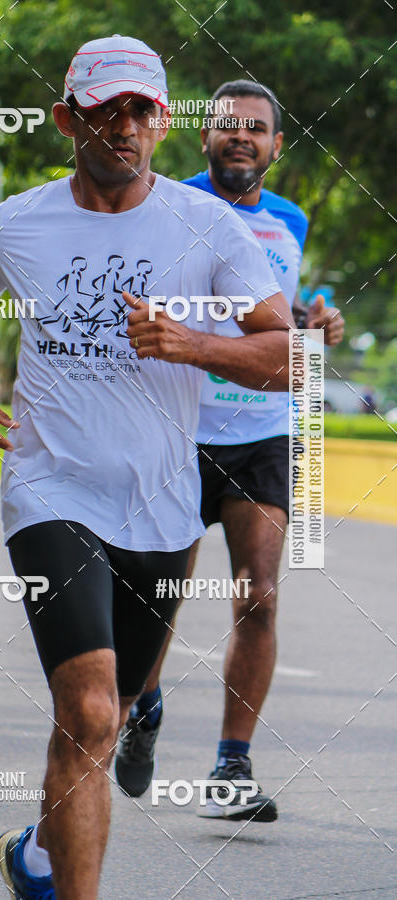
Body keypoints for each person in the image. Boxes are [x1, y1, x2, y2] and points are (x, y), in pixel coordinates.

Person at [0, 36, 294, 900]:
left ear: (163, 122)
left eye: (141, 110)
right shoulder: (18, 222)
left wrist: (192, 343)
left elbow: (285, 355)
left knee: (107, 720)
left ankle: (38, 856)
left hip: (162, 510)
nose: (124, 126)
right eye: (105, 109)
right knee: (89, 711)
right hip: (51, 487)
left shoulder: (209, 227)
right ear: (68, 119)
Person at [115, 80, 345, 821]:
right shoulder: (164, 205)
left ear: (278, 146)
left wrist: (315, 320)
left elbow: (276, 311)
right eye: (228, 127)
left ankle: (231, 766)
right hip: (176, 427)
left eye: (257, 128)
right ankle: (143, 707)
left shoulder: (291, 221)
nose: (242, 137)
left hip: (263, 433)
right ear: (203, 138)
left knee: (259, 595)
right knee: (157, 598)